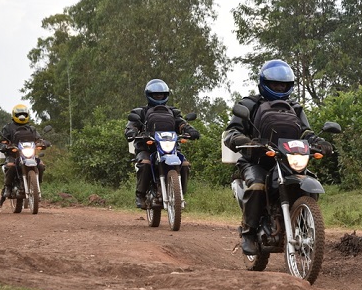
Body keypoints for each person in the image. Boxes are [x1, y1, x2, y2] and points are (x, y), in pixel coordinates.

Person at [222, 59, 333, 255]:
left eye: (284, 84)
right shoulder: (249, 104)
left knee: (310, 181)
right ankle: (248, 233)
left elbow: (306, 132)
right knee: (257, 185)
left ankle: (303, 228)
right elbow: (231, 132)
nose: (280, 87)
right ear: (264, 83)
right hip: (256, 160)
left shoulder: (294, 108)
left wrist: (319, 142)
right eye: (275, 84)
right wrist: (245, 141)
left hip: (287, 159)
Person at [124, 79, 200, 208]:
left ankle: (179, 195)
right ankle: (140, 195)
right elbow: (132, 125)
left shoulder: (173, 112)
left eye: (161, 94)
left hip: (170, 148)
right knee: (145, 163)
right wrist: (131, 131)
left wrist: (190, 130)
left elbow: (182, 124)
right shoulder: (140, 112)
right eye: (156, 94)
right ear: (149, 95)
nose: (159, 96)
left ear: (166, 95)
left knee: (185, 164)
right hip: (147, 148)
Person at [0, 104, 46, 207]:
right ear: (14, 115)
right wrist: (5, 146)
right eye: (19, 114)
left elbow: (39, 139)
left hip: (29, 155)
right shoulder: (8, 128)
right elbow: (2, 141)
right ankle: (8, 187)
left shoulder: (31, 128)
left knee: (41, 165)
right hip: (13, 155)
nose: (22, 116)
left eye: (23, 114)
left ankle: (36, 185)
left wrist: (43, 143)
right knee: (11, 166)